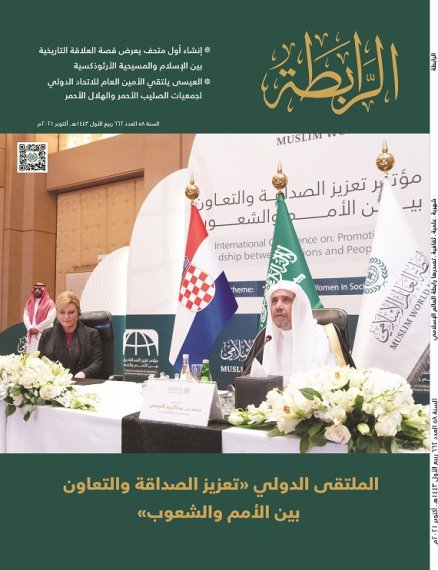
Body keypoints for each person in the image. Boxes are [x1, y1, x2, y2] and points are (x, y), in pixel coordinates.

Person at [243, 280, 355, 383]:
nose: (278, 306)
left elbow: (338, 383)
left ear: (299, 306)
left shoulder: (325, 336)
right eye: (274, 301)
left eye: (286, 300)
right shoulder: (265, 339)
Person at [38, 291, 102, 378]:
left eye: (71, 312)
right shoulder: (46, 334)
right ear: (57, 314)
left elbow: (97, 362)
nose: (66, 317)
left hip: (83, 381)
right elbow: (40, 362)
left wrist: (83, 374)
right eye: (62, 312)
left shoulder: (92, 334)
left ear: (78, 312)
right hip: (54, 382)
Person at [23, 282, 56, 353]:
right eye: (35, 289)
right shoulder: (29, 303)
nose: (37, 291)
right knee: (30, 355)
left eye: (39, 289)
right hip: (32, 334)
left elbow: (50, 319)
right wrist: (30, 328)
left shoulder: (50, 303)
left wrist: (37, 328)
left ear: (43, 290)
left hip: (43, 333)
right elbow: (25, 316)